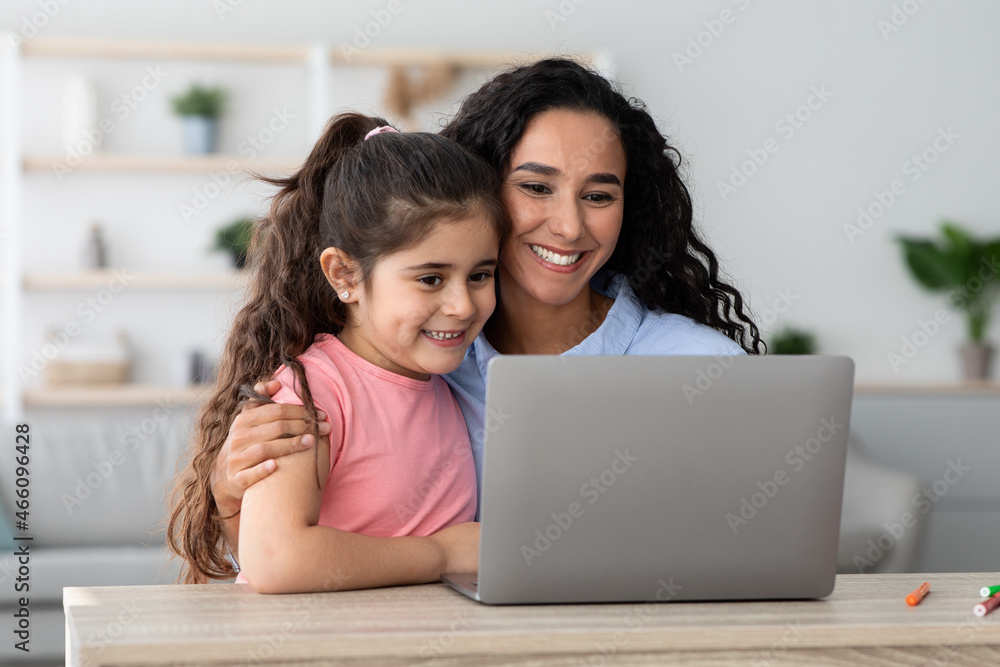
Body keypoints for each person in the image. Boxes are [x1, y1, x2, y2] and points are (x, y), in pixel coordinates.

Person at [204, 58, 764, 574]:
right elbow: (276, 561)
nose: (569, 227)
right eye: (536, 187)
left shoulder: (702, 369)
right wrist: (231, 499)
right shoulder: (431, 362)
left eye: (598, 196)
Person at [166, 112, 510, 592]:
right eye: (431, 278)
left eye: (480, 275)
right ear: (345, 275)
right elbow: (276, 559)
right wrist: (442, 552)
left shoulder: (445, 383)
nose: (461, 305)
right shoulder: (315, 394)